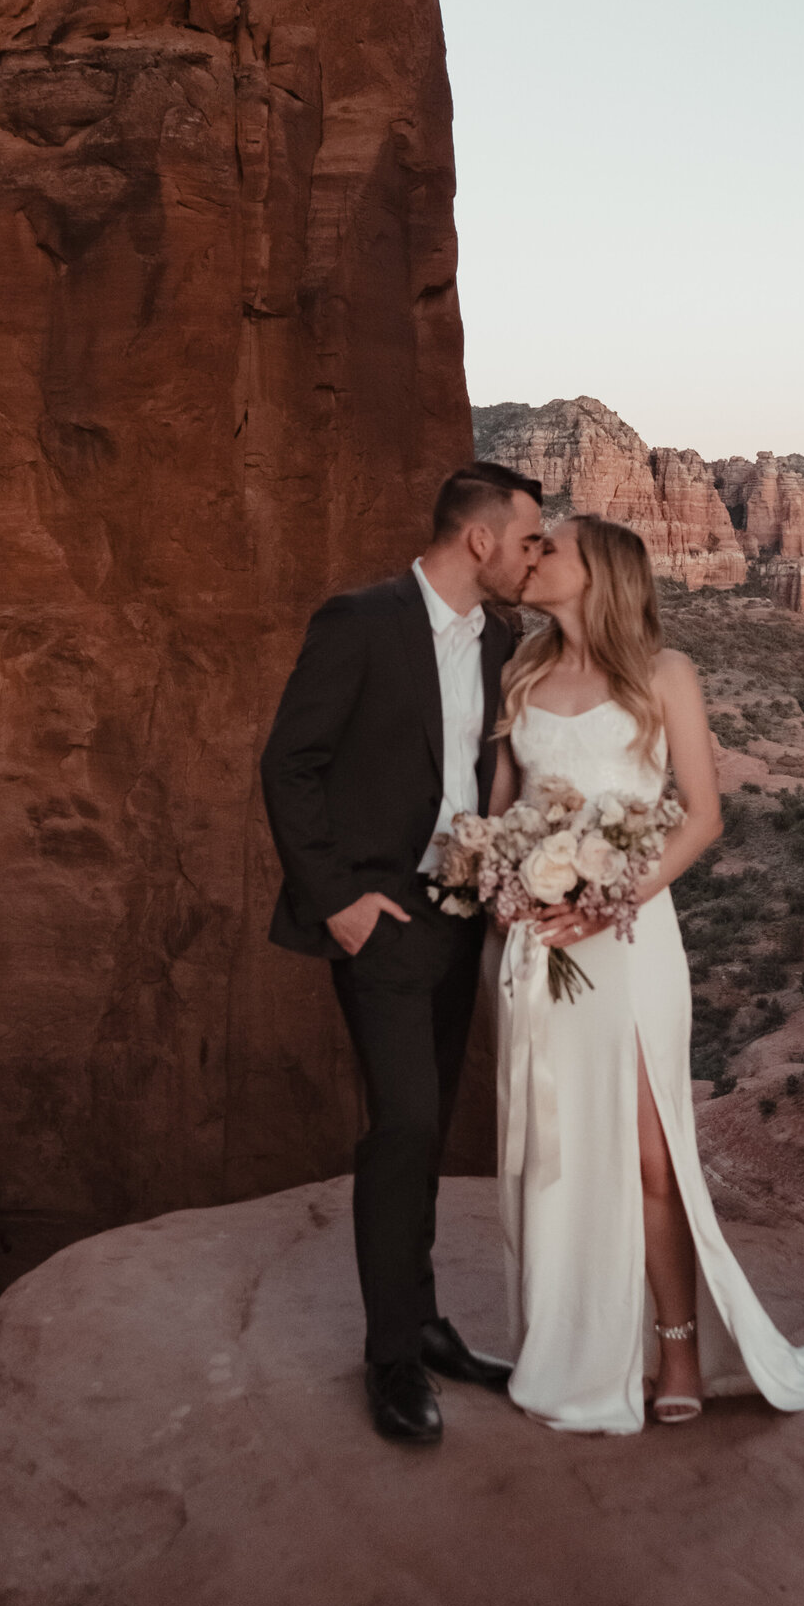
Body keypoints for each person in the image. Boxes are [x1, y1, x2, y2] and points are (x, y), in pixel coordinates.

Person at [490, 514, 804, 1433]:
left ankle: (675, 1347)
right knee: (557, 1146)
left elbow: (701, 817)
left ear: (600, 573)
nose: (533, 556)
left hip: (628, 938)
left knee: (652, 1153)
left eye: (551, 548)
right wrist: (504, 885)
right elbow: (505, 810)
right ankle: (574, 1342)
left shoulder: (665, 674)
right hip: (540, 941)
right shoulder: (523, 673)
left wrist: (608, 900)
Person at [260, 462, 545, 1445]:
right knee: (406, 1121)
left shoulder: (505, 641)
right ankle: (389, 1357)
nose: (531, 556)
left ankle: (421, 1321)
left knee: (424, 1129)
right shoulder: (361, 620)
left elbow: (491, 780)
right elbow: (287, 762)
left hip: (461, 917)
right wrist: (336, 900)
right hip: (378, 916)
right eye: (526, 538)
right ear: (479, 539)